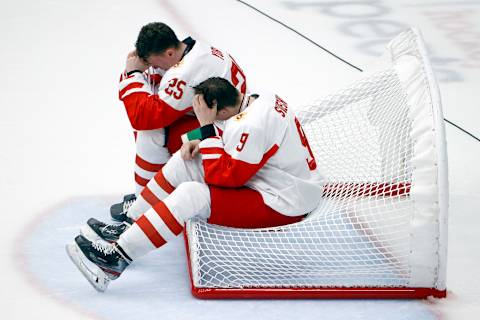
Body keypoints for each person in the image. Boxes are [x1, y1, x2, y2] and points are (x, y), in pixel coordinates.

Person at [66, 77, 323, 292]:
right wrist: (198, 136)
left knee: (192, 195)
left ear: (220, 110)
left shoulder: (251, 127)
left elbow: (225, 177)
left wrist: (206, 128)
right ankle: (129, 224)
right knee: (185, 161)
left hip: (284, 203)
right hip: (277, 180)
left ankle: (116, 259)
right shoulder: (257, 100)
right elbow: (229, 134)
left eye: (206, 113)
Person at [111, 22, 248, 222]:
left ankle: (145, 204)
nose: (154, 69)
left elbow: (144, 117)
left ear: (168, 53)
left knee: (153, 133)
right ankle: (150, 194)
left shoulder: (184, 74)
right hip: (228, 118)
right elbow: (155, 87)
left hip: (223, 133)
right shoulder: (193, 48)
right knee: (156, 126)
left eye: (155, 64)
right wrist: (139, 70)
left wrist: (132, 74)